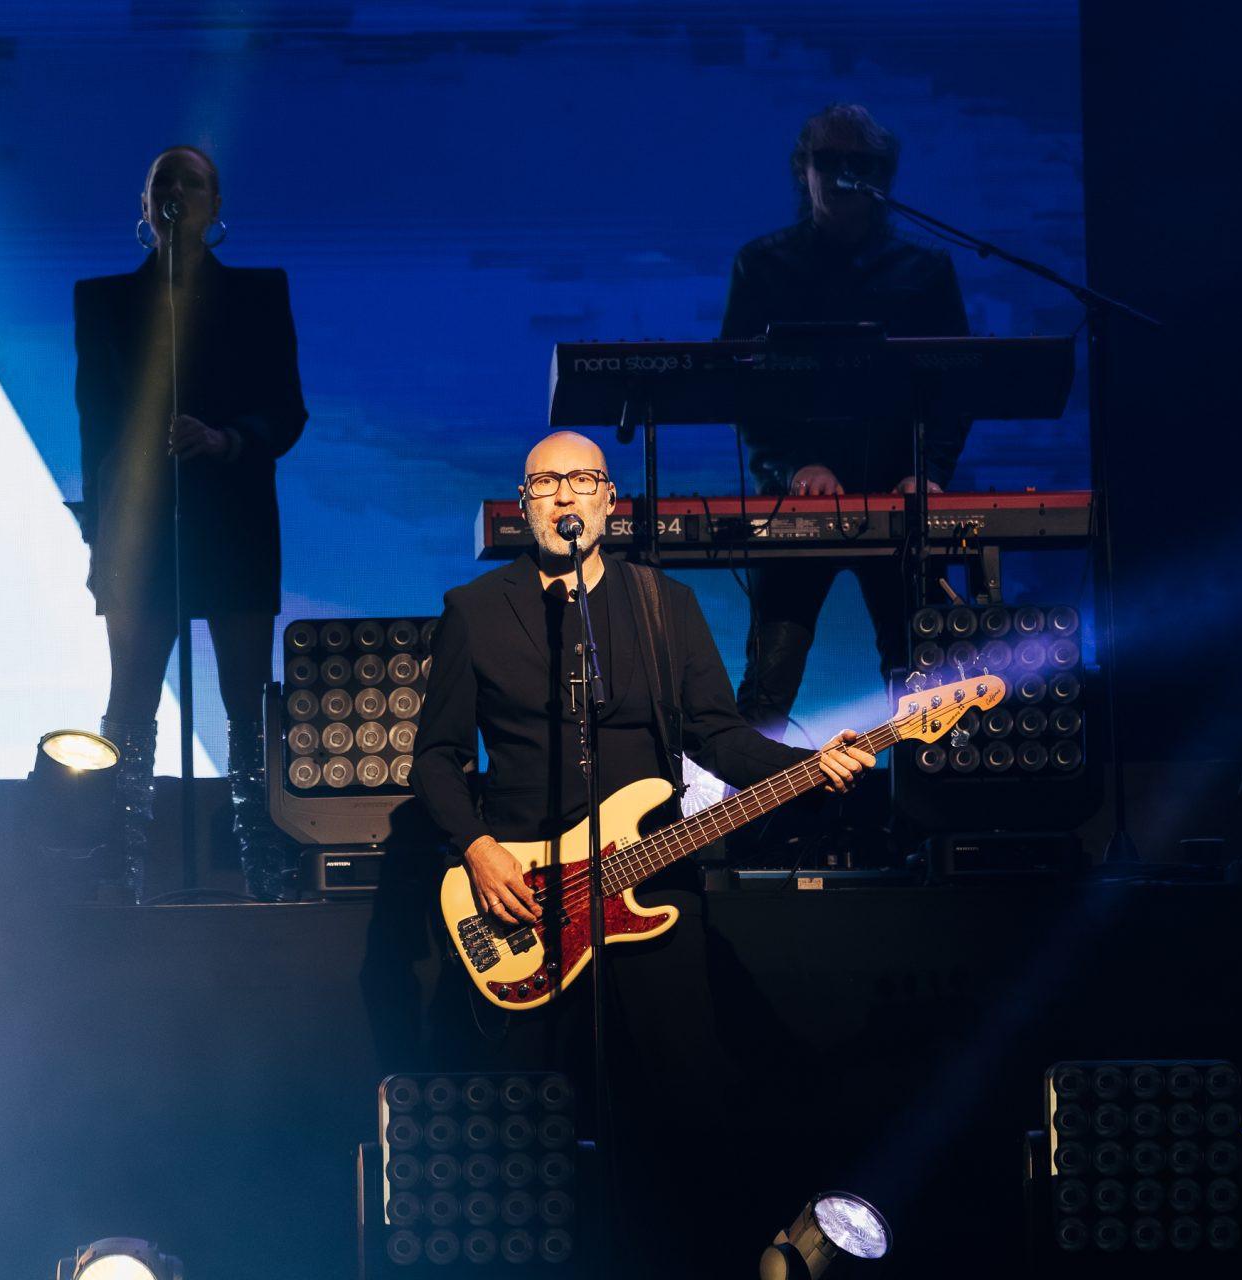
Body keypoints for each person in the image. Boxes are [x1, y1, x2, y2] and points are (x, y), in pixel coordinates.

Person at [409, 430, 874, 1277]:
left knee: (689, 1102)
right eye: (545, 482)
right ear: (524, 505)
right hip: (525, 903)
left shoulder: (665, 605)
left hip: (649, 884)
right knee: (530, 1124)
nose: (564, 494)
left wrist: (810, 766)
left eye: (581, 479)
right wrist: (477, 848)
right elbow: (435, 760)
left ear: (608, 501)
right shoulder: (474, 610)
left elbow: (719, 737)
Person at [74, 144, 307, 901]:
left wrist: (226, 439)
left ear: (215, 205)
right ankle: (122, 860)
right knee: (131, 698)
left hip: (232, 521)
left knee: (247, 699)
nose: (176, 191)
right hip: (142, 528)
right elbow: (96, 428)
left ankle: (262, 858)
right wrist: (100, 537)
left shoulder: (259, 295)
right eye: (162, 181)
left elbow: (287, 409)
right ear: (146, 206)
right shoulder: (104, 301)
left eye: (192, 181)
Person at [722, 103, 973, 738]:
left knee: (919, 679)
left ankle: (920, 799)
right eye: (828, 161)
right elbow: (741, 387)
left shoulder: (925, 271)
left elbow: (955, 387)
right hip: (795, 500)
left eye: (858, 163)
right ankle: (753, 804)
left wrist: (929, 471)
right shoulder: (762, 265)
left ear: (882, 177)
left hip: (901, 496)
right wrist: (794, 464)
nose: (842, 174)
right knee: (770, 681)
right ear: (802, 170)